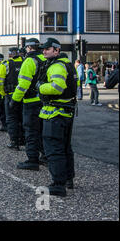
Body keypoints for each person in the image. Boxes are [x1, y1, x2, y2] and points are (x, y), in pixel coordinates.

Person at [37, 38, 77, 197]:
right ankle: (68, 179)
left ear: (57, 50)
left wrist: (41, 87)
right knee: (65, 146)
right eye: (43, 49)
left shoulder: (57, 66)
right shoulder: (67, 64)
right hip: (66, 112)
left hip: (55, 113)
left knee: (54, 148)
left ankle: (58, 184)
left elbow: (57, 87)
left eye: (47, 49)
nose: (44, 51)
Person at [10, 38, 47, 171]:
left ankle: (32, 159)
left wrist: (14, 100)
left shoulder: (29, 61)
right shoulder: (45, 59)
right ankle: (45, 156)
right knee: (43, 130)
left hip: (31, 102)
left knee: (31, 131)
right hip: (45, 101)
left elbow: (23, 85)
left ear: (29, 48)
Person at [0, 47, 24, 150]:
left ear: (9, 54)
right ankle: (23, 139)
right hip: (24, 95)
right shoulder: (26, 62)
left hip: (10, 95)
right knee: (22, 118)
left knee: (12, 118)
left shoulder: (5, 64)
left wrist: (3, 93)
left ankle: (14, 142)